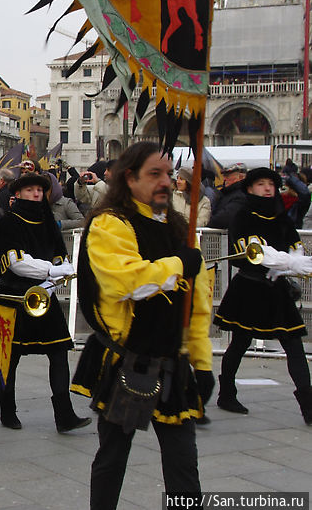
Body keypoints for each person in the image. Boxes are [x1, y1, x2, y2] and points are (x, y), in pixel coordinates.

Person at [71, 141, 214, 509]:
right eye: (155, 173)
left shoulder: (179, 228)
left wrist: (202, 362)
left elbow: (197, 305)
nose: (166, 181)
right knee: (113, 458)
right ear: (130, 178)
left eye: (169, 173)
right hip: (129, 360)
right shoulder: (110, 224)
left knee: (184, 466)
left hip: (173, 361)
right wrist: (179, 265)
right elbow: (125, 282)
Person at [0, 172, 91, 433]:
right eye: (30, 190)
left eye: (39, 190)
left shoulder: (48, 221)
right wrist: (51, 271)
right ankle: (7, 409)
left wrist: (56, 275)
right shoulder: (9, 222)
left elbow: (59, 256)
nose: (36, 194)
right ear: (18, 194)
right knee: (11, 356)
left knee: (59, 353)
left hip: (44, 295)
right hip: (16, 295)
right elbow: (16, 262)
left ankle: (64, 414)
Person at [213, 167, 312, 424]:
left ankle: (308, 404)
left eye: (271, 184)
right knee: (240, 342)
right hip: (249, 287)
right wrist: (285, 262)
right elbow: (252, 251)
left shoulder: (281, 216)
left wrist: (295, 262)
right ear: (249, 188)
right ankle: (226, 393)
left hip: (275, 288)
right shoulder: (243, 215)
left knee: (293, 344)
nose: (267, 188)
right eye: (261, 184)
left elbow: (295, 246)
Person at [207, 162, 247, 229]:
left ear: (241, 177)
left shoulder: (240, 196)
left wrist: (208, 224)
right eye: (224, 176)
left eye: (228, 176)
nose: (224, 179)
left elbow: (223, 219)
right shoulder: (227, 194)